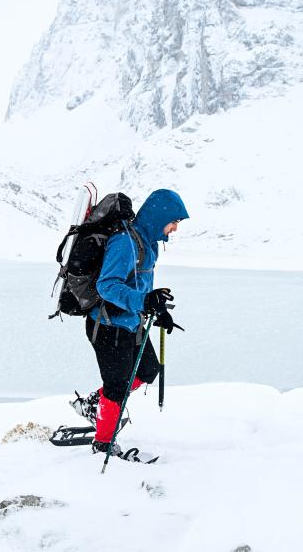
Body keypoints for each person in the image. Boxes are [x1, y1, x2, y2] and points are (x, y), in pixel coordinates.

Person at [71, 189, 189, 456]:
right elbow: (107, 286)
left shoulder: (149, 244)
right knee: (117, 387)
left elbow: (139, 283)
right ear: (160, 217)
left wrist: (156, 308)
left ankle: (93, 405)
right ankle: (102, 445)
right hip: (108, 325)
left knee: (148, 370)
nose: (174, 229)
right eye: (174, 222)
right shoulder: (124, 242)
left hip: (130, 323)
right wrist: (144, 301)